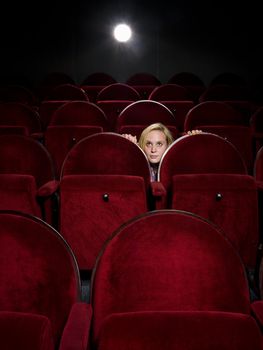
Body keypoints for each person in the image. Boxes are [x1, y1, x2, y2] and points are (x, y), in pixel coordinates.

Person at [122, 123, 202, 181]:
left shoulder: (177, 167)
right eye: (149, 144)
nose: (153, 150)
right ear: (142, 145)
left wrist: (195, 144)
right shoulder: (136, 167)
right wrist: (128, 148)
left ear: (168, 145)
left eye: (159, 144)